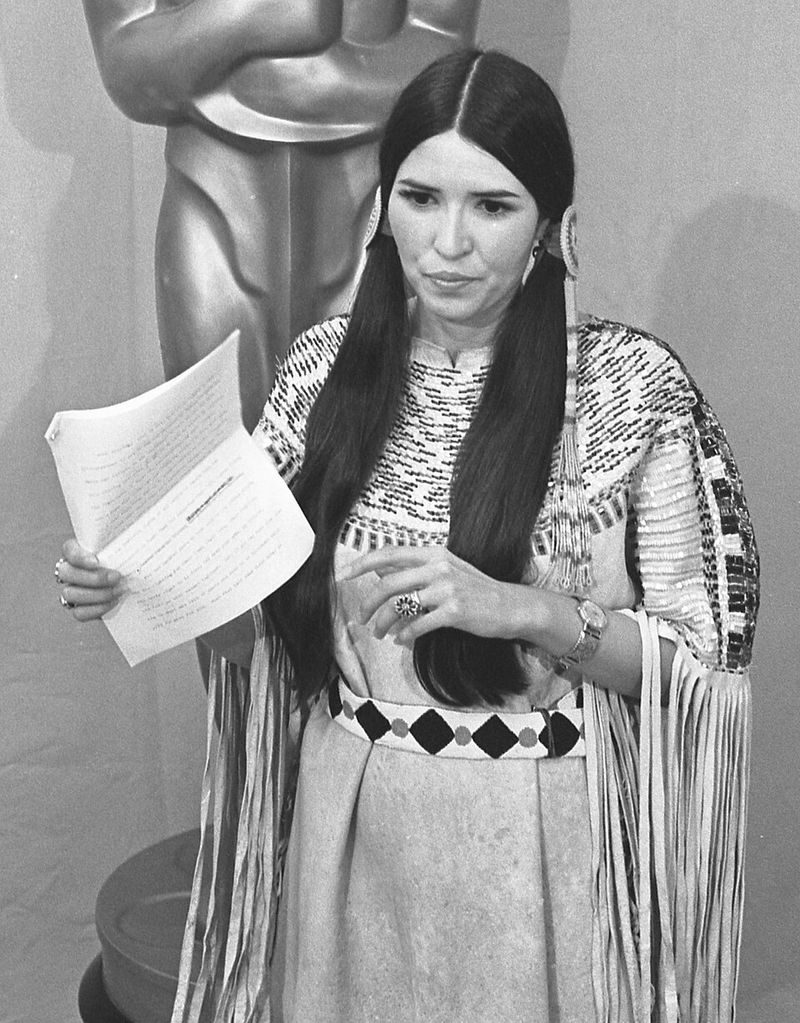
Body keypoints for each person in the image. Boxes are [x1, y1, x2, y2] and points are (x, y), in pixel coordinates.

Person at [56, 49, 759, 1023]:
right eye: (422, 198)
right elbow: (252, 586)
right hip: (350, 824)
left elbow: (703, 667)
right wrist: (129, 580)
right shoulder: (318, 374)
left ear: (552, 226)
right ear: (383, 204)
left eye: (492, 207)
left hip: (547, 842)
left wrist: (521, 609)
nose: (449, 244)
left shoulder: (627, 390)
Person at [81, 0, 481, 431]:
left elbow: (446, 52)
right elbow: (127, 65)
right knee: (216, 468)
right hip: (215, 195)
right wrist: (250, 14)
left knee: (375, 461)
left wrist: (286, 77)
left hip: (373, 202)